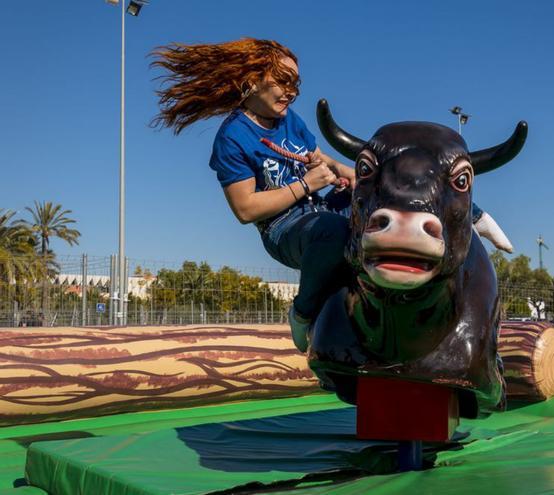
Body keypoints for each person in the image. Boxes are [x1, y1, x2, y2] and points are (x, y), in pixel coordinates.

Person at [151, 38, 513, 352]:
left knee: (392, 187)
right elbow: (246, 209)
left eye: (297, 82)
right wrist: (305, 185)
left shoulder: (289, 120)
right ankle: (303, 312)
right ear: (251, 79)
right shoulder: (232, 137)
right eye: (283, 80)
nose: (292, 91)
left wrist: (363, 178)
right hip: (285, 229)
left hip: (319, 204)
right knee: (331, 230)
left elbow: (320, 159)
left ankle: (477, 218)